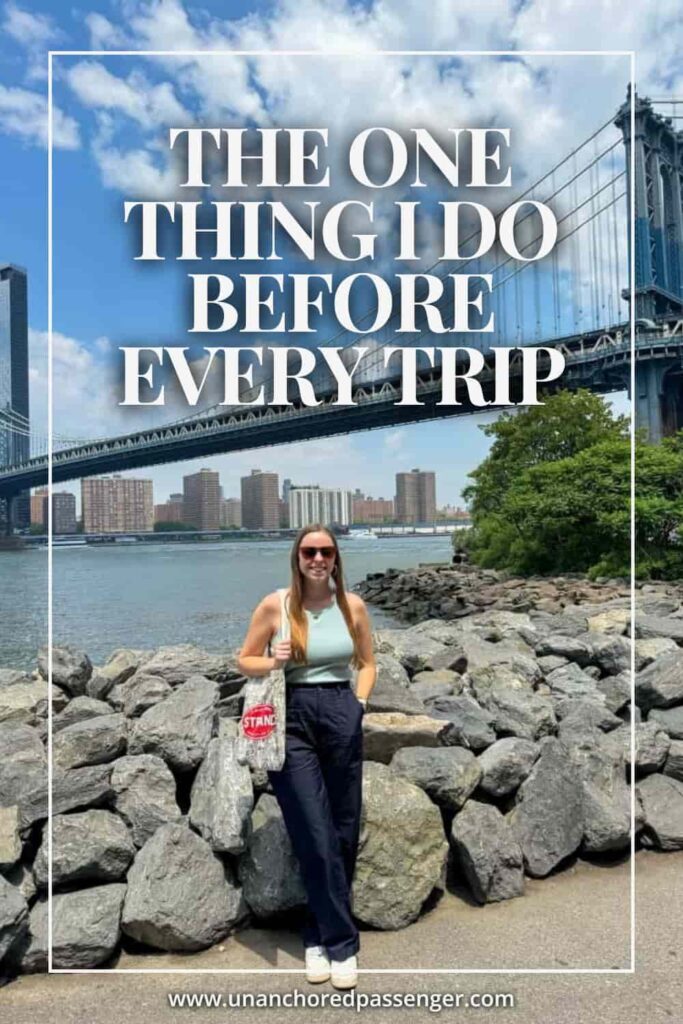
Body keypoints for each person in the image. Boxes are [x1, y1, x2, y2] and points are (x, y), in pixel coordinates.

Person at [238, 523, 376, 990]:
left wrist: (359, 704)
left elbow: (368, 661)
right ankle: (341, 944)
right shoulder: (276, 605)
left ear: (337, 558)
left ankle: (316, 934)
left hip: (340, 709)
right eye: (309, 552)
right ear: (296, 558)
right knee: (312, 829)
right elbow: (244, 660)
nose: (317, 559)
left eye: (326, 552)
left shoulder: (351, 605)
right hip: (291, 715)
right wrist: (275, 660)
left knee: (343, 825)